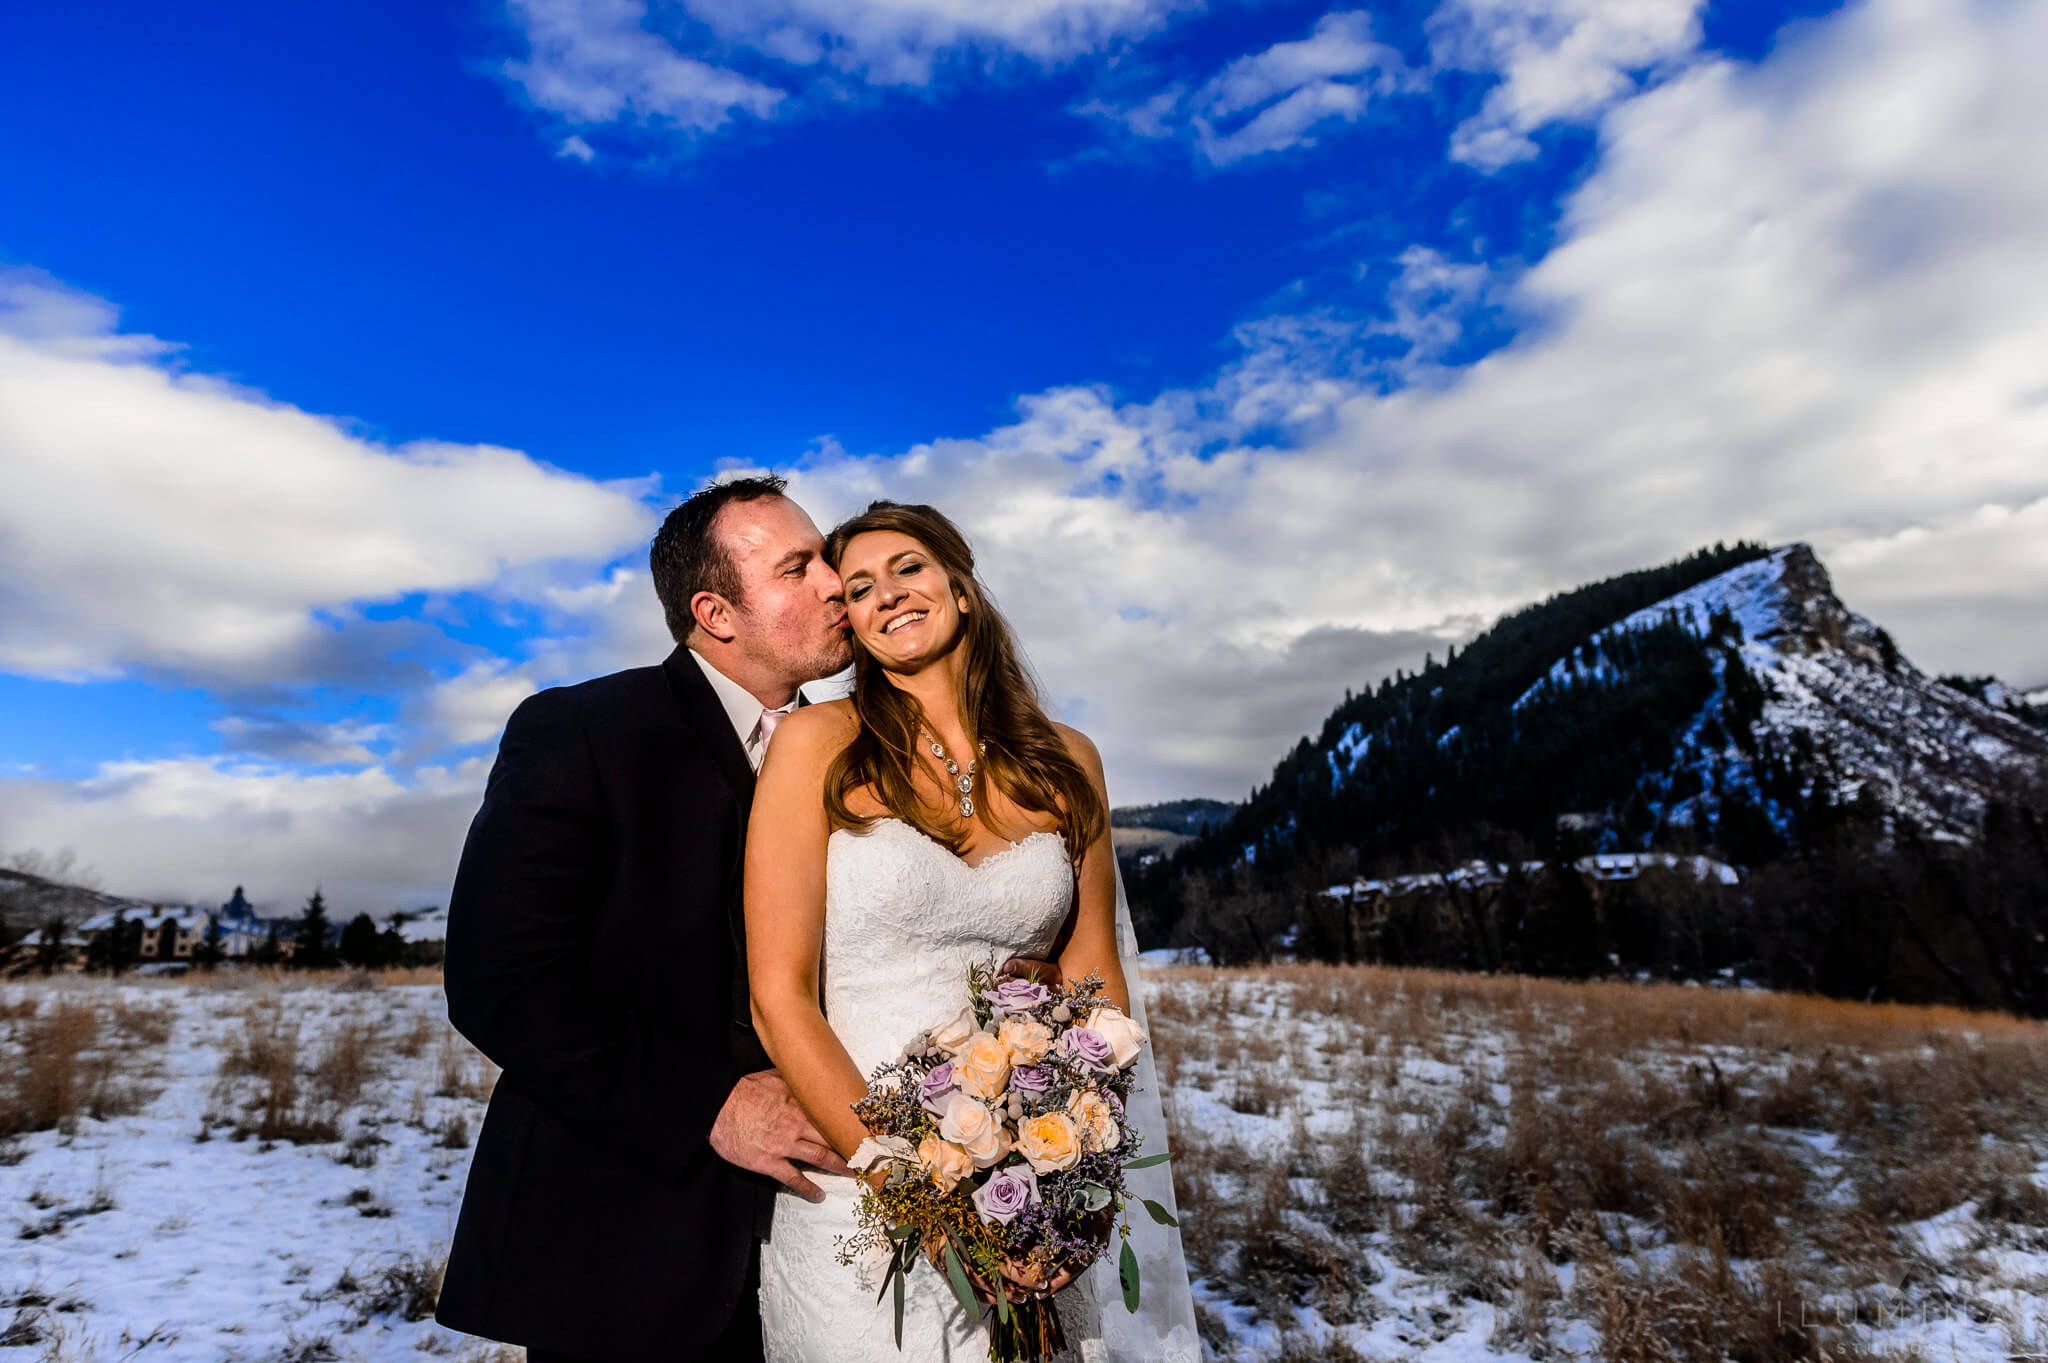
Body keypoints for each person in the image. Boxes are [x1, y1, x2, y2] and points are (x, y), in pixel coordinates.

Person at [744, 500, 1199, 1362]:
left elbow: (1095, 979)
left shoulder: (1068, 759)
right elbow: (780, 997)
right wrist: (908, 1185)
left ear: (959, 581)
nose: (887, 596)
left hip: (1028, 1189)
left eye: (908, 568)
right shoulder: (815, 742)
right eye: (860, 588)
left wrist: (1071, 1175)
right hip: (858, 1179)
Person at [435, 475, 856, 1361]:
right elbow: (500, 979)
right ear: (717, 611)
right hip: (626, 1243)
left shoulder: (866, 753)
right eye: (797, 566)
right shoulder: (582, 730)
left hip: (840, 1245)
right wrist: (712, 1103)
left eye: (826, 555)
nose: (835, 580)